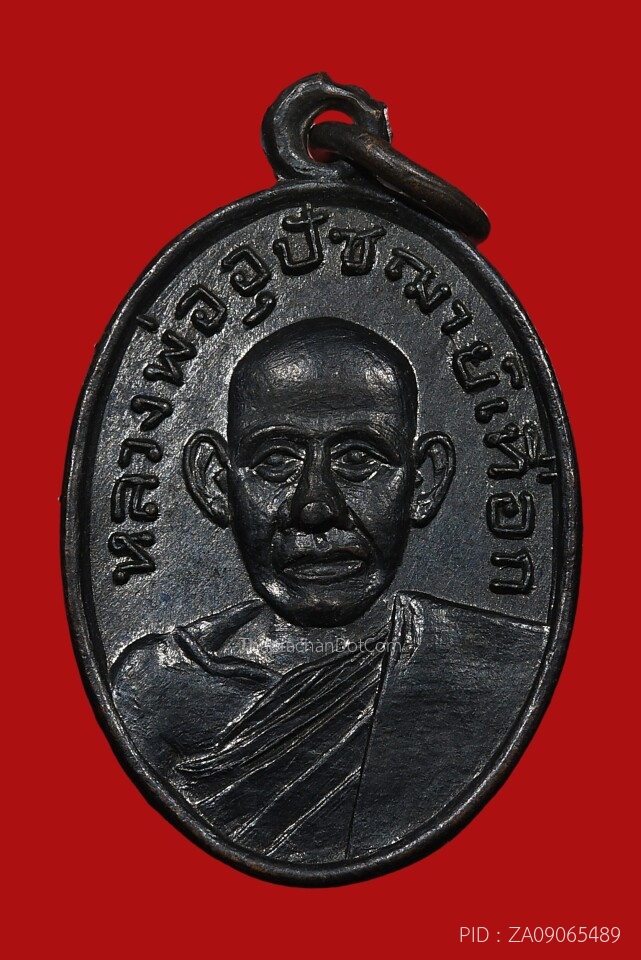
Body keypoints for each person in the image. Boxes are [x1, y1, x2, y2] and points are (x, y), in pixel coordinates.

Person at [112, 318, 547, 863]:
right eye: (276, 461)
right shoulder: (160, 687)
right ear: (217, 483)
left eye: (358, 459)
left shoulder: (502, 667)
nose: (315, 506)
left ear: (424, 481)